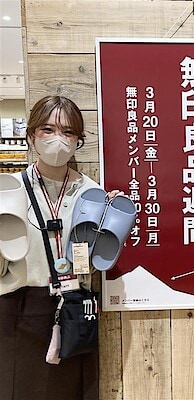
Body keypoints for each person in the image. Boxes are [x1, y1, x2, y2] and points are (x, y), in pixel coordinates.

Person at [0, 96, 120, 400]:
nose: (58, 139)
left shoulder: (92, 194)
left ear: (78, 140)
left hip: (74, 309)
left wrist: (110, 223)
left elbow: (95, 263)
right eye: (48, 129)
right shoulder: (8, 190)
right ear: (31, 135)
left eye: (68, 132)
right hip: (18, 307)